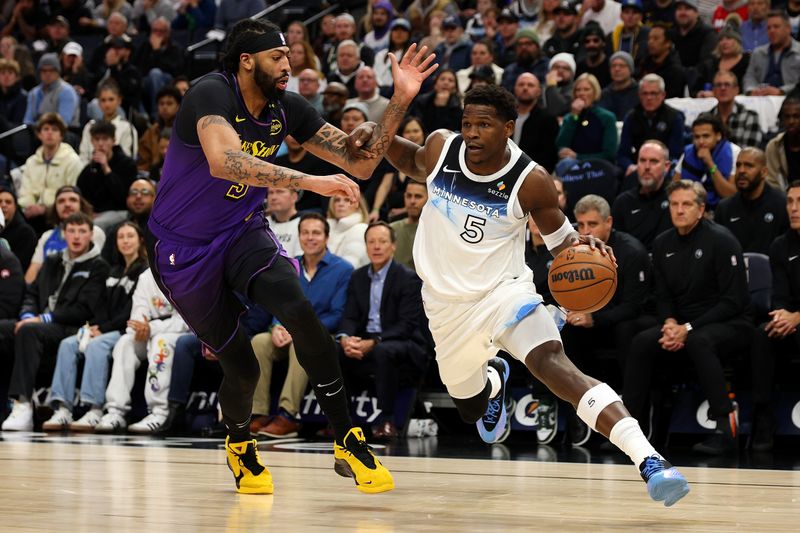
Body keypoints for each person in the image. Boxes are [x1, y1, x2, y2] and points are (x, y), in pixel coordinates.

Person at [145, 19, 435, 495]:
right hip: (182, 249)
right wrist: (308, 182)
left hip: (241, 231)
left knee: (300, 310)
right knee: (242, 366)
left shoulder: (287, 108)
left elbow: (360, 163)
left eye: (288, 56)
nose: (288, 65)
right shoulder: (210, 95)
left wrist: (399, 99)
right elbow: (225, 162)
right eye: (276, 58)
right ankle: (239, 443)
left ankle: (346, 437)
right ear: (246, 61)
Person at [382, 84, 689, 506]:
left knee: (554, 366)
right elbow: (397, 154)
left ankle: (650, 460)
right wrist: (372, 126)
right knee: (469, 409)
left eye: (484, 125)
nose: (472, 133)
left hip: (503, 294)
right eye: (467, 123)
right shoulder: (440, 149)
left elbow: (562, 242)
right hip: (445, 306)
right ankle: (494, 383)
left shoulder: (531, 181)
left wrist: (584, 247)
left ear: (508, 128)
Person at [624, 180, 752, 455]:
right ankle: (631, 430)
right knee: (641, 342)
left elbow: (734, 301)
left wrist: (688, 328)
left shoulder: (722, 239)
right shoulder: (662, 243)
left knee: (699, 341)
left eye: (686, 204)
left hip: (731, 322)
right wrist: (670, 322)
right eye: (674, 204)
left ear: (701, 209)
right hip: (682, 324)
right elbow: (662, 295)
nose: (679, 210)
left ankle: (724, 426)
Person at [0, 212, 110, 431]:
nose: (76, 236)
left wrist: (42, 318)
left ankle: (22, 405)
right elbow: (31, 293)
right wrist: (28, 315)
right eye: (71, 231)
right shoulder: (52, 260)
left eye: (82, 231)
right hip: (39, 324)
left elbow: (83, 309)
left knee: (30, 332)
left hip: (74, 328)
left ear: (91, 235)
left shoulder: (98, 266)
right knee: (3, 329)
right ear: (63, 234)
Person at [249, 213, 354, 437]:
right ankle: (258, 413)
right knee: (259, 341)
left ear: (327, 237)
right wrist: (276, 325)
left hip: (323, 336)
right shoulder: (289, 265)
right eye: (305, 233)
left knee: (302, 344)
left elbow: (337, 314)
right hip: (288, 330)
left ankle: (288, 415)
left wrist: (299, 330)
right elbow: (279, 304)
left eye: (316, 233)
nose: (310, 238)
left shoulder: (343, 269)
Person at [559, 194, 653, 444]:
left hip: (630, 320)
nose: (586, 230)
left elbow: (634, 307)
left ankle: (633, 412)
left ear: (609, 222)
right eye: (580, 225)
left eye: (592, 224)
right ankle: (581, 406)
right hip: (597, 319)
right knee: (567, 331)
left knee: (627, 329)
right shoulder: (576, 251)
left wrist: (595, 319)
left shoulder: (631, 252)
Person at [41, 221, 148, 431]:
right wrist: (94, 327)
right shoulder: (113, 270)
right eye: (121, 237)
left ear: (140, 241)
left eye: (130, 236)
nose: (125, 241)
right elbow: (99, 304)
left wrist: (103, 330)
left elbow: (130, 311)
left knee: (96, 345)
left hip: (123, 330)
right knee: (68, 344)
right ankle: (62, 408)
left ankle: (94, 408)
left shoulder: (143, 271)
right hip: (103, 328)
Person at [337, 221, 428, 440]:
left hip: (404, 343)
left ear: (393, 246)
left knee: (383, 351)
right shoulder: (358, 277)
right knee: (333, 351)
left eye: (382, 242)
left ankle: (387, 420)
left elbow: (406, 325)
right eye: (371, 242)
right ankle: (343, 421)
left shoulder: (408, 278)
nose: (376, 247)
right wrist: (346, 338)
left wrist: (375, 341)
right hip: (368, 340)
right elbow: (349, 316)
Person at [92, 267, 188, 434]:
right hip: (149, 330)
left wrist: (151, 327)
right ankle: (116, 411)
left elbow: (186, 321)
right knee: (125, 343)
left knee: (161, 342)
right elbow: (137, 315)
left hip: (181, 332)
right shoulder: (146, 277)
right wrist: (140, 327)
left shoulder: (187, 272)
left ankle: (159, 412)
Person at [749, 180, 800, 451]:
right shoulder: (781, 245)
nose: (793, 208)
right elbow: (779, 295)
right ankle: (763, 416)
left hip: (798, 320)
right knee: (762, 334)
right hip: (791, 318)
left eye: (799, 202)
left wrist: (797, 318)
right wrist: (783, 318)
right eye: (790, 202)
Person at [25, 185, 106, 284]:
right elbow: (34, 269)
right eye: (61, 201)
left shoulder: (94, 233)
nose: (67, 204)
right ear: (55, 208)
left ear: (81, 205)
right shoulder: (47, 236)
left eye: (73, 200)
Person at [17, 113, 83, 233]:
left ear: (61, 135)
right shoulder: (31, 162)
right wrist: (31, 206)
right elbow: (25, 193)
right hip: (32, 214)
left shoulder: (72, 161)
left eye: (54, 129)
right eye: (45, 129)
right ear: (39, 134)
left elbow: (74, 194)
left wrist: (46, 209)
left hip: (61, 214)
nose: (49, 133)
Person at [715, 147, 788, 254]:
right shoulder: (724, 208)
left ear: (764, 172)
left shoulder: (782, 205)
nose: (741, 171)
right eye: (738, 165)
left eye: (749, 166)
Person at [76, 121, 139, 234]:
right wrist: (89, 211)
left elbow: (123, 197)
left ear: (114, 140)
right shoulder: (89, 169)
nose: (100, 143)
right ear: (92, 141)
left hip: (120, 212)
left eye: (105, 139)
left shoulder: (127, 164)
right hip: (93, 214)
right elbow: (82, 194)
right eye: (97, 139)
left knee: (94, 226)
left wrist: (106, 169)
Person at [612, 139, 673, 251]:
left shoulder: (676, 199)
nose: (647, 167)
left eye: (654, 161)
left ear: (667, 166)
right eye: (642, 160)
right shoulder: (623, 202)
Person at [617, 74, 685, 173]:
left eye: (653, 93)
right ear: (639, 95)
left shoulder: (675, 117)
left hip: (665, 169)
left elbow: (676, 154)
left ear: (663, 95)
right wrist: (630, 166)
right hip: (638, 167)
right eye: (645, 93)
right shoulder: (631, 117)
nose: (649, 98)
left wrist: (659, 168)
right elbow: (622, 154)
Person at [674, 113, 741, 210]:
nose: (701, 141)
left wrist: (710, 164)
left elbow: (730, 194)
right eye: (697, 137)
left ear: (718, 136)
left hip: (723, 210)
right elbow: (675, 188)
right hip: (691, 209)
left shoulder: (734, 152)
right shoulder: (688, 152)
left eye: (706, 136)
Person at [370, 116, 428, 222]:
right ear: (401, 135)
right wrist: (375, 209)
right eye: (408, 131)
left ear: (423, 133)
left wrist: (405, 210)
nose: (412, 135)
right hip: (393, 211)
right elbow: (385, 185)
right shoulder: (396, 158)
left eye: (416, 131)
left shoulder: (428, 158)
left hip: (419, 213)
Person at [555, 73, 618, 168]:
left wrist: (578, 157)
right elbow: (561, 146)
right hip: (572, 166)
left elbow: (609, 154)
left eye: (586, 89)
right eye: (578, 90)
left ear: (595, 92)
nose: (581, 93)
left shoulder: (607, 117)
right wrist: (574, 117)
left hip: (599, 166)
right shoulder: (570, 118)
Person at [79, 80, 138, 164]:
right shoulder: (90, 126)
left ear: (119, 100)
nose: (107, 104)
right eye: (103, 100)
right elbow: (83, 156)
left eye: (111, 99)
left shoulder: (127, 128)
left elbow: (129, 160)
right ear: (98, 103)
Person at [743, 10, 800, 96]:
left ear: (788, 28)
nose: (771, 31)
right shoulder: (758, 53)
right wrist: (751, 90)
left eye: (776, 27)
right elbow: (749, 77)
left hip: (792, 101)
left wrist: (781, 91)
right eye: (769, 28)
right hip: (760, 99)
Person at [101, 179, 156, 266]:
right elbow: (105, 263)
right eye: (133, 192)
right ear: (127, 199)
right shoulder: (116, 230)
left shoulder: (161, 230)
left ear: (154, 198)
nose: (138, 196)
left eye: (145, 192)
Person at [513, 72, 559, 173]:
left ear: (539, 91)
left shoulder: (548, 119)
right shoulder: (505, 117)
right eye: (521, 84)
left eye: (530, 85)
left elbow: (549, 155)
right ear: (515, 89)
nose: (525, 88)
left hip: (533, 173)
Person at [705, 70, 762, 149]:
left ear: (736, 90)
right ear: (713, 91)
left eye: (727, 84)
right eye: (718, 85)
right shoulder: (705, 118)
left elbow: (748, 154)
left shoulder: (750, 117)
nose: (722, 88)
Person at [636, 24, 686, 98]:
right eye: (649, 38)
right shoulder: (644, 62)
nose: (650, 42)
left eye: (656, 38)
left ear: (668, 43)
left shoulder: (675, 71)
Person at [409, 68, 463, 134]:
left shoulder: (458, 106)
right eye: (442, 79)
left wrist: (441, 108)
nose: (446, 83)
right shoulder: (422, 101)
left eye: (450, 80)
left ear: (455, 88)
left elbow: (452, 130)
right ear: (435, 84)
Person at [389, 181, 428, 271]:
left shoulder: (437, 230)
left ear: (429, 199)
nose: (412, 201)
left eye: (418, 196)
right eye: (409, 196)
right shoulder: (391, 229)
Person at [765, 96, 800, 190]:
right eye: (787, 117)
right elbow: (771, 182)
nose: (791, 121)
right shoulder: (774, 146)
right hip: (784, 199)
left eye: (796, 116)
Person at [327, 193, 370, 268]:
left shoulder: (361, 229)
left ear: (358, 206)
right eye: (337, 200)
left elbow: (351, 265)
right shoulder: (328, 229)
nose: (340, 204)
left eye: (347, 200)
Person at [0, 185, 36, 270]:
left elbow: (20, 266)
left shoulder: (25, 233)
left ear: (15, 207)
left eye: (8, 202)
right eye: (0, 201)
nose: (3, 205)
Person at [597, 51, 640, 120]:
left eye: (622, 66)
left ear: (630, 69)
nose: (617, 69)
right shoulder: (604, 94)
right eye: (613, 66)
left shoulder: (640, 92)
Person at [609, 0, 650, 69]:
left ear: (641, 17)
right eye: (626, 12)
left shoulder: (647, 34)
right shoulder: (612, 36)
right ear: (621, 15)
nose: (630, 16)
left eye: (634, 12)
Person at [266, 187, 301, 258]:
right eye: (270, 193)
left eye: (280, 191)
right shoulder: (261, 223)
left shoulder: (306, 224)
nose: (273, 197)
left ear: (294, 197)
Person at [575, 23, 610, 87]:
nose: (591, 44)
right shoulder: (580, 67)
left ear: (603, 43)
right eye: (587, 41)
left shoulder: (610, 65)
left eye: (595, 40)